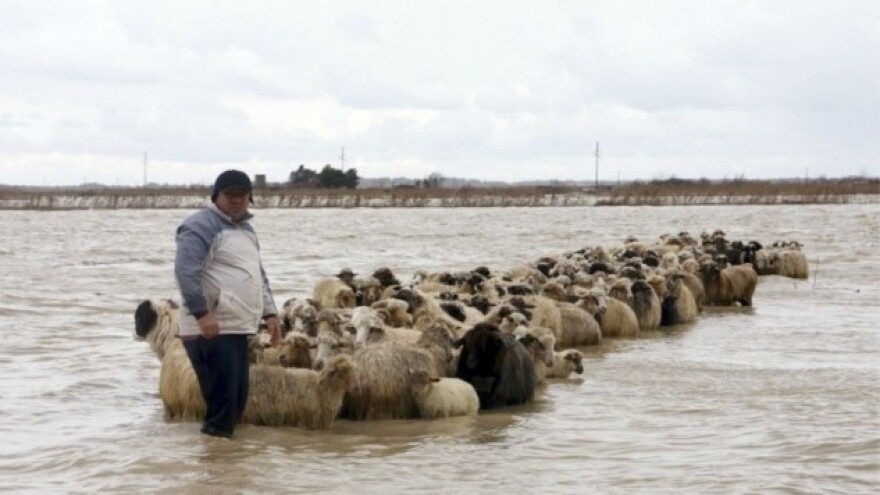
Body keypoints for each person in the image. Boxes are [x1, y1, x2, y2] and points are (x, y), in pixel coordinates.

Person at [174, 169, 282, 438]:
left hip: (238, 326)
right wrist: (202, 314)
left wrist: (270, 313)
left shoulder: (246, 229)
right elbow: (186, 272)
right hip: (210, 328)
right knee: (222, 407)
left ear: (250, 197)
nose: (237, 200)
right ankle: (212, 468)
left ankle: (227, 471)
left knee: (236, 402)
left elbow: (258, 274)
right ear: (216, 195)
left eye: (243, 194)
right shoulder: (199, 225)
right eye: (230, 194)